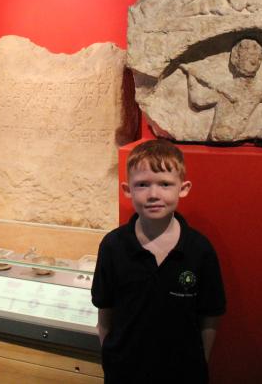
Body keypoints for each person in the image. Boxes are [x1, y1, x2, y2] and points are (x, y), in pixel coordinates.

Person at [91, 139, 226, 383]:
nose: (154, 194)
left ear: (183, 188)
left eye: (165, 184)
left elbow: (210, 314)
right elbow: (105, 312)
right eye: (142, 184)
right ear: (127, 190)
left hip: (182, 373)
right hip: (125, 373)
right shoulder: (113, 246)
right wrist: (111, 359)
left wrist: (200, 362)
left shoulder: (200, 250)